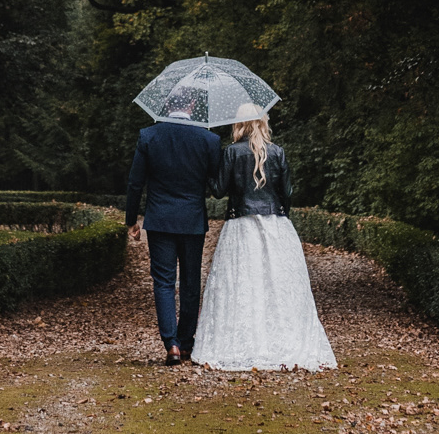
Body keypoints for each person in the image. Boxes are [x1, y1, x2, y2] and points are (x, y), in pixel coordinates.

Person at [191, 102, 336, 371]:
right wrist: (281, 218)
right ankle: (281, 339)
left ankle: (241, 341)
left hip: (240, 225)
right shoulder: (277, 152)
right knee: (277, 283)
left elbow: (218, 191)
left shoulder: (231, 152)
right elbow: (287, 192)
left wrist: (208, 169)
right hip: (276, 224)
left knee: (241, 282)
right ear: (262, 121)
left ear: (240, 123)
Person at [125, 87, 224, 366]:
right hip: (192, 220)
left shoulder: (149, 136)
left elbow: (135, 182)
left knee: (164, 281)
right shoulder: (209, 139)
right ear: (191, 105)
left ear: (167, 105)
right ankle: (186, 341)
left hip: (160, 220)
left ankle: (171, 344)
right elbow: (216, 183)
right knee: (191, 281)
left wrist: (131, 220)